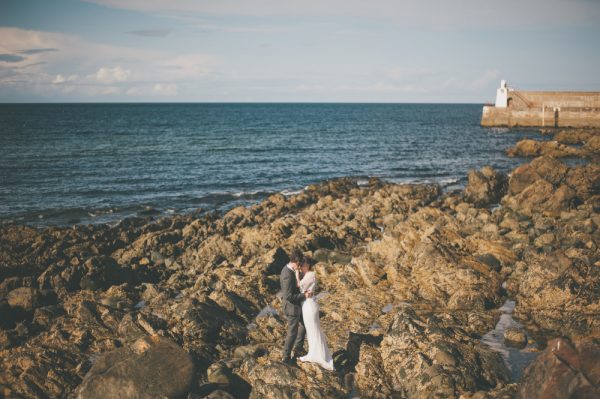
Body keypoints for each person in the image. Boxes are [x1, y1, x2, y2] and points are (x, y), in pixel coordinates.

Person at [295, 256, 334, 370]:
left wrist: (297, 275)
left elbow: (299, 286)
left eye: (302, 265)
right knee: (312, 331)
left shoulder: (311, 275)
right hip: (306, 305)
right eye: (300, 265)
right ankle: (314, 354)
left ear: (307, 265)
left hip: (309, 305)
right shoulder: (307, 275)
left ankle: (319, 356)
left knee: (314, 331)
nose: (300, 267)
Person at [280, 249, 312, 364]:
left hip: (295, 306)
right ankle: (286, 356)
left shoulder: (290, 270)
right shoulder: (287, 274)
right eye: (300, 263)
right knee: (292, 332)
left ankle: (298, 348)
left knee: (304, 324)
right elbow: (288, 296)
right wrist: (304, 295)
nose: (301, 265)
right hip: (291, 308)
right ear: (296, 261)